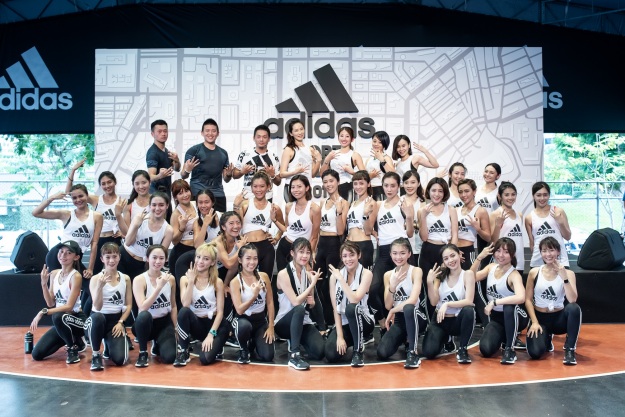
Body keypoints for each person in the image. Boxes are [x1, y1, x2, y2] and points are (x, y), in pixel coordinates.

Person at [32, 183, 103, 316]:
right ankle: (61, 320)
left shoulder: (97, 216)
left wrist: (90, 268)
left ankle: (83, 319)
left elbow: (94, 243)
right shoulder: (66, 214)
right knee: (57, 294)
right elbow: (36, 213)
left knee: (91, 288)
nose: (78, 200)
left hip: (75, 257)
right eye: (74, 198)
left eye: (81, 196)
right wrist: (52, 198)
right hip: (59, 255)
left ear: (87, 196)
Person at [366, 172, 415, 333]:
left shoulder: (404, 203)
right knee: (373, 289)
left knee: (404, 291)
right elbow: (368, 229)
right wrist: (367, 216)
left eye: (393, 186)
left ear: (398, 186)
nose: (389, 189)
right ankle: (382, 323)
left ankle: (405, 328)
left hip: (401, 251)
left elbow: (410, 233)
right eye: (386, 185)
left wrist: (409, 217)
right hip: (383, 252)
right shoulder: (378, 205)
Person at [470, 238, 528, 365]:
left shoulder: (514, 275)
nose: (501, 255)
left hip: (516, 316)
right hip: (497, 318)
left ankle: (510, 349)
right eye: (498, 251)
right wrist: (479, 258)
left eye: (506, 252)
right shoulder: (491, 267)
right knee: (486, 349)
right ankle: (505, 337)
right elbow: (470, 278)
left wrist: (495, 302)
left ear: (512, 254)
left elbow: (521, 297)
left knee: (508, 306)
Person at [525, 237, 581, 365]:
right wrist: (534, 322)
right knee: (535, 353)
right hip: (540, 319)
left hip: (558, 319)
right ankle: (546, 338)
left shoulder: (569, 273)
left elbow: (572, 299)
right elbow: (527, 300)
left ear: (558, 252)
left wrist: (564, 278)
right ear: (541, 253)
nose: (548, 254)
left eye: (551, 250)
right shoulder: (534, 272)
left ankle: (570, 350)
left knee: (574, 308)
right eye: (544, 251)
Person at [118, 192, 174, 320]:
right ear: (149, 206)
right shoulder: (140, 218)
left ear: (167, 206)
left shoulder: (168, 230)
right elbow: (128, 242)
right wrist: (135, 225)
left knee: (136, 297)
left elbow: (160, 255)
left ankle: (136, 325)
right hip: (124, 256)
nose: (157, 208)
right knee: (119, 291)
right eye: (154, 205)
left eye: (161, 205)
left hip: (143, 264)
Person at [65, 159, 125, 274]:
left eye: (109, 182)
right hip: (99, 240)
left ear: (115, 182)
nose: (107, 186)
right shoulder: (96, 200)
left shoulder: (122, 202)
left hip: (115, 240)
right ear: (100, 186)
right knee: (94, 272)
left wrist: (122, 234)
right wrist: (73, 171)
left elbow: (127, 225)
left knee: (117, 272)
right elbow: (69, 193)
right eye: (103, 184)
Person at [30, 240, 86, 363]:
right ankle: (75, 340)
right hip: (61, 322)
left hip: (78, 320)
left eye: (68, 253)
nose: (63, 255)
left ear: (76, 257)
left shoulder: (76, 276)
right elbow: (50, 303)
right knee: (37, 354)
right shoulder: (54, 274)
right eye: (61, 252)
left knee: (57, 316)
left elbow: (69, 306)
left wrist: (43, 312)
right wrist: (43, 284)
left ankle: (72, 349)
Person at [275, 238, 326, 370]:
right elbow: (296, 302)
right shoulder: (283, 274)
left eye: (308, 252)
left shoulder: (307, 275)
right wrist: (312, 284)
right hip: (284, 323)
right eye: (301, 252)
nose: (305, 256)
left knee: (319, 352)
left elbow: (312, 304)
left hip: (303, 321)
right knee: (299, 309)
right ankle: (294, 356)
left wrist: (312, 302)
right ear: (292, 253)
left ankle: (296, 339)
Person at [174, 243, 228, 366]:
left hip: (215, 325)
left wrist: (211, 335)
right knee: (183, 312)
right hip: (197, 324)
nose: (200, 261)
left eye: (206, 258)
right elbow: (185, 304)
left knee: (205, 359)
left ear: (212, 262)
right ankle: (183, 351)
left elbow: (220, 312)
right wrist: (191, 281)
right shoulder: (185, 279)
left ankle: (217, 345)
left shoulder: (217, 282)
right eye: (198, 257)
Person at [376, 238, 426, 369]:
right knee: (382, 352)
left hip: (416, 316)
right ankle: (405, 338)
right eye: (395, 253)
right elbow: (387, 305)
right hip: (399, 319)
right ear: (390, 254)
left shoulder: (416, 271)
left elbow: (413, 300)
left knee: (409, 308)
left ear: (409, 254)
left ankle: (413, 353)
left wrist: (393, 310)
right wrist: (392, 287)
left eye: (402, 253)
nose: (398, 257)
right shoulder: (388, 275)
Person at [422, 244, 476, 364]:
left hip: (456, 320)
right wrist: (429, 282)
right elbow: (433, 302)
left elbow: (469, 301)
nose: (450, 260)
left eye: (452, 256)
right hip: (440, 320)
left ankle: (462, 349)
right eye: (446, 258)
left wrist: (447, 304)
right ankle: (446, 338)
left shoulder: (467, 274)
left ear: (459, 255)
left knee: (469, 310)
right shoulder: (440, 276)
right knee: (429, 352)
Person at [325, 241, 374, 366]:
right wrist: (340, 336)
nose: (348, 259)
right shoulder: (334, 277)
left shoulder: (366, 274)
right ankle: (353, 340)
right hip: (345, 323)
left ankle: (358, 351)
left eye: (352, 255)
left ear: (359, 255)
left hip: (364, 321)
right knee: (331, 354)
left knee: (351, 308)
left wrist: (341, 280)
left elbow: (354, 299)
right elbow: (335, 309)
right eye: (345, 256)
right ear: (341, 258)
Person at [85, 242, 132, 370]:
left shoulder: (126, 278)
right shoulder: (96, 279)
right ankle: (96, 354)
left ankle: (108, 344)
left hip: (114, 322)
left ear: (119, 257)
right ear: (102, 259)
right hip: (96, 321)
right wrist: (100, 287)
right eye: (108, 257)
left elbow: (128, 305)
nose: (111, 260)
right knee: (98, 317)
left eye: (114, 256)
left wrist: (121, 322)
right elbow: (97, 307)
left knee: (120, 360)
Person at [132, 244, 177, 367]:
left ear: (166, 260)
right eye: (154, 258)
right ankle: (143, 352)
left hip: (163, 323)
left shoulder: (170, 279)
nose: (158, 262)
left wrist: (176, 328)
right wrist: (158, 287)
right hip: (145, 324)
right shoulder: (139, 280)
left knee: (170, 357)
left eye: (161, 258)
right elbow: (143, 307)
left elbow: (173, 306)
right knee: (144, 315)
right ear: (147, 258)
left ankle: (157, 343)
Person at [234, 171, 284, 280]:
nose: (258, 189)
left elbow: (283, 228)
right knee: (246, 280)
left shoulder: (274, 208)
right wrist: (235, 206)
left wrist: (276, 238)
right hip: (247, 246)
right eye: (255, 186)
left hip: (266, 248)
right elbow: (235, 227)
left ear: (268, 187)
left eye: (262, 186)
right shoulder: (245, 204)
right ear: (251, 188)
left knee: (265, 280)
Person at [417, 178, 458, 309]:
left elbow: (455, 235)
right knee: (428, 288)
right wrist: (423, 216)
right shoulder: (422, 210)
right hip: (428, 251)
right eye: (433, 190)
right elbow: (424, 237)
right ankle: (429, 319)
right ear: (428, 191)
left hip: (445, 251)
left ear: (444, 193)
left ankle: (445, 316)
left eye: (440, 191)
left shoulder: (451, 210)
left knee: (444, 287)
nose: (437, 194)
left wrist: (452, 255)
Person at [230, 243, 275, 363]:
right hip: (242, 319)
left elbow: (270, 302)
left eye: (255, 258)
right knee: (244, 326)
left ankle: (254, 342)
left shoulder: (264, 277)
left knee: (268, 356)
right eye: (248, 258)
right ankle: (243, 349)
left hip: (260, 321)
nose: (252, 262)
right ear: (240, 260)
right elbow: (239, 310)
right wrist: (253, 296)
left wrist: (271, 326)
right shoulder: (235, 282)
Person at [314, 169, 349, 326]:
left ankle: (336, 320)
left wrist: (339, 212)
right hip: (321, 244)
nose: (328, 184)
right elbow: (317, 228)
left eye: (331, 181)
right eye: (325, 182)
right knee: (317, 283)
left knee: (333, 284)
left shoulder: (344, 203)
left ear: (338, 182)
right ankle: (323, 319)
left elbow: (341, 231)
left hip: (334, 244)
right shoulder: (322, 202)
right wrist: (314, 248)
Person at [456, 178, 492, 325]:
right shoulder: (457, 210)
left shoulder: (480, 210)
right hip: (456, 253)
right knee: (459, 287)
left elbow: (488, 236)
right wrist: (454, 251)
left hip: (469, 252)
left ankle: (488, 323)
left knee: (475, 289)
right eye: (461, 192)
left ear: (474, 191)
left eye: (467, 191)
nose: (464, 195)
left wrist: (477, 228)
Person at [181, 118, 233, 212]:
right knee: (196, 221)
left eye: (213, 131)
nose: (210, 133)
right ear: (202, 133)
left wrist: (229, 174)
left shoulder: (223, 153)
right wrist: (188, 170)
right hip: (198, 194)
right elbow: (183, 175)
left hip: (218, 195)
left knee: (221, 220)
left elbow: (226, 179)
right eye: (207, 131)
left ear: (218, 133)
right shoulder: (193, 151)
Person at [273, 174, 321, 273]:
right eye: (293, 187)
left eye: (299, 186)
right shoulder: (288, 206)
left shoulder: (314, 209)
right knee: (283, 279)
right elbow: (287, 229)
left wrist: (308, 254)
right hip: (284, 247)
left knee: (300, 279)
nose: (296, 190)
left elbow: (314, 237)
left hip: (302, 250)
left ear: (307, 188)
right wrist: (274, 220)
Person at [525, 181, 572, 268]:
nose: (542, 198)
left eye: (545, 195)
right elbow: (532, 243)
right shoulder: (529, 218)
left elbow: (568, 237)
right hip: (538, 262)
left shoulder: (558, 211)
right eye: (538, 195)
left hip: (560, 261)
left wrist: (561, 223)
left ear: (549, 195)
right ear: (533, 196)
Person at [233, 124, 282, 202]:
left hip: (267, 198)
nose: (261, 140)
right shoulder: (244, 154)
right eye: (258, 137)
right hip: (247, 197)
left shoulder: (274, 157)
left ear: (269, 139)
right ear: (254, 138)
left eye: (264, 137)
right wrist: (242, 172)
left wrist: (272, 175)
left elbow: (278, 182)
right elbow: (234, 175)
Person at [169, 179, 197, 303]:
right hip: (181, 253)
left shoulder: (197, 205)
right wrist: (182, 227)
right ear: (175, 197)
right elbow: (174, 241)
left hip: (197, 251)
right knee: (182, 290)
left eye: (186, 191)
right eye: (180, 193)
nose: (185, 195)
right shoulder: (176, 214)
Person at [279, 119, 321, 201]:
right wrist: (295, 172)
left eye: (301, 129)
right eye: (296, 130)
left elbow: (312, 174)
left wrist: (318, 161)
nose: (300, 132)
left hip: (306, 189)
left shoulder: (310, 149)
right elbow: (282, 174)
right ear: (291, 133)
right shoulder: (289, 149)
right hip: (292, 188)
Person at [320, 126, 365, 202]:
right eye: (341, 136)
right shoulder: (332, 154)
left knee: (345, 209)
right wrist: (327, 159)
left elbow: (365, 176)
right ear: (338, 138)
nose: (344, 139)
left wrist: (352, 172)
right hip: (333, 188)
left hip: (348, 188)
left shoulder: (354, 155)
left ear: (352, 139)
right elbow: (322, 174)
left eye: (347, 136)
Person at [490, 181, 525, 272]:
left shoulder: (519, 215)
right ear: (500, 196)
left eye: (513, 194)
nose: (510, 198)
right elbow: (493, 242)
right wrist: (498, 225)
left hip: (519, 260)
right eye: (506, 195)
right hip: (503, 261)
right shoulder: (495, 214)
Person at [345, 170, 375, 270]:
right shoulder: (353, 203)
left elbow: (368, 231)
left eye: (361, 183)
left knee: (363, 276)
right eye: (355, 184)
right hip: (349, 244)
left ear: (368, 184)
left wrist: (365, 214)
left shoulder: (371, 202)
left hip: (363, 245)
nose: (358, 187)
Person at [146, 119, 180, 205]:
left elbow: (177, 169)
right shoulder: (153, 153)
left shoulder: (166, 151)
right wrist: (160, 176)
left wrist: (177, 160)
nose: (163, 134)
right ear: (152, 134)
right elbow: (150, 177)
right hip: (156, 196)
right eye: (159, 131)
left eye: (165, 131)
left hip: (166, 194)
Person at [475, 163, 501, 265]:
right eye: (486, 171)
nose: (487, 174)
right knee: (482, 260)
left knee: (495, 259)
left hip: (494, 230)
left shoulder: (499, 192)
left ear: (497, 176)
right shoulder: (477, 189)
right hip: (480, 230)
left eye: (491, 172)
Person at [402, 170, 426, 266]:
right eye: (406, 182)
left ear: (418, 183)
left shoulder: (424, 202)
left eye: (413, 182)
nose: (409, 186)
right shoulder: (399, 201)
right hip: (403, 248)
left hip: (421, 247)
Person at [364, 130, 395, 201]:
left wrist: (382, 160)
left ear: (384, 144)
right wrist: (369, 176)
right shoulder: (369, 159)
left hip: (381, 190)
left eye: (380, 142)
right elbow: (364, 177)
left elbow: (393, 175)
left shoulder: (386, 158)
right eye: (374, 141)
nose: (376, 144)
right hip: (369, 191)